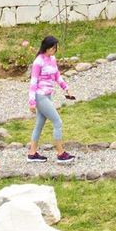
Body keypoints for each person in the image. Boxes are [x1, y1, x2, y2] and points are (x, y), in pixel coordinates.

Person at [27, 35, 77, 163]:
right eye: (53, 47)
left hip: (48, 95)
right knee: (57, 122)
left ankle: (32, 153)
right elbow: (33, 82)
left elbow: (57, 76)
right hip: (40, 96)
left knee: (39, 124)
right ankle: (61, 154)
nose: (54, 50)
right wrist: (32, 102)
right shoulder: (38, 61)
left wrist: (66, 88)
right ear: (46, 47)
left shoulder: (52, 59)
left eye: (55, 48)